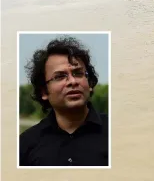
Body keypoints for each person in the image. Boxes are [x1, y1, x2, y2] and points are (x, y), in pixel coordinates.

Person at [19, 37, 109, 166]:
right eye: (60, 76)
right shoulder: (25, 144)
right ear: (44, 92)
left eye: (78, 73)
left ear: (89, 83)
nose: (73, 81)